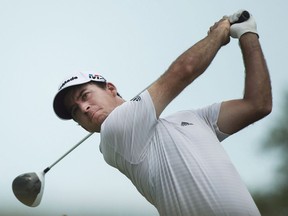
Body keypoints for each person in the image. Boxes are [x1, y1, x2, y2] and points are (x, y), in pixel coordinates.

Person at [53, 10, 272, 216]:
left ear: (110, 88)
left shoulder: (195, 118)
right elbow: (182, 72)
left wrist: (248, 34)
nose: (83, 108)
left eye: (84, 96)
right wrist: (219, 33)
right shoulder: (114, 132)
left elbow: (258, 104)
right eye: (75, 111)